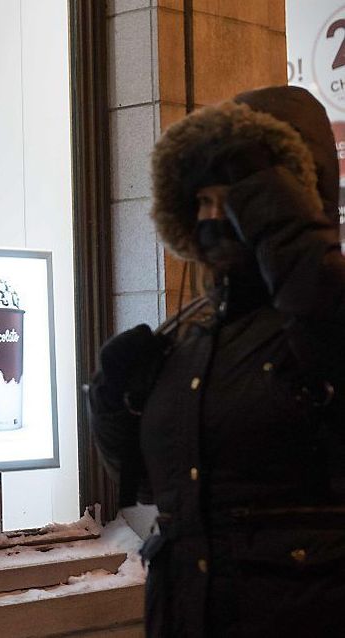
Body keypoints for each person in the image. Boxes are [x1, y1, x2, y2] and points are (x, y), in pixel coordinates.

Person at [89, 85, 345, 636]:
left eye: (232, 199)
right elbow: (153, 490)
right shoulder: (191, 337)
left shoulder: (321, 317)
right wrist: (111, 404)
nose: (212, 218)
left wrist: (279, 213)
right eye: (202, 202)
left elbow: (324, 313)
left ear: (283, 197)